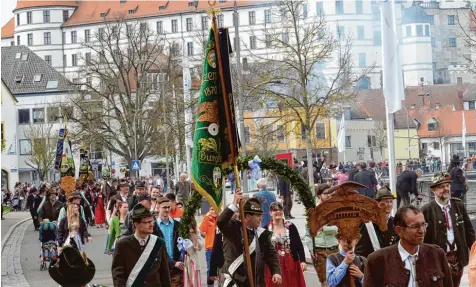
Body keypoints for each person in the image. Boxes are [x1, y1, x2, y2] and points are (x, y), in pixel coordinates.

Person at [364, 206, 453, 286]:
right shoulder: (378, 260)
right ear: (399, 231)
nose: (422, 230)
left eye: (423, 224)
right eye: (415, 226)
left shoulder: (437, 254)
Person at [217, 190, 282, 287]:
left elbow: (271, 255)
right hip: (236, 282)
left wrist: (276, 272)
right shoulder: (233, 228)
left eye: (260, 215)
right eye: (257, 215)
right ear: (247, 216)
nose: (260, 218)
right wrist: (234, 203)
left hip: (256, 282)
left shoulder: (262, 234)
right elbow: (221, 221)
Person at [421, 172, 476, 286]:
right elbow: (422, 238)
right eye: (441, 187)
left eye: (447, 185)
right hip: (437, 259)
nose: (446, 189)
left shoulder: (459, 206)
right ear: (433, 190)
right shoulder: (426, 210)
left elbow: (469, 231)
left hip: (458, 258)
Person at [112, 203, 171, 287]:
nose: (151, 224)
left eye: (151, 221)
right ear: (136, 224)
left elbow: (164, 273)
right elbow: (118, 274)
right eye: (146, 222)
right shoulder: (122, 245)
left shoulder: (159, 243)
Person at [265, 202, 306, 287]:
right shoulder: (266, 229)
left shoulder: (291, 226)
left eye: (280, 210)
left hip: (291, 263)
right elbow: (263, 249)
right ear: (270, 212)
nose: (278, 212)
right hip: (274, 265)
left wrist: (303, 261)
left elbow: (299, 244)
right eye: (275, 210)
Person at [306, 184, 338, 287]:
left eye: (330, 193)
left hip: (334, 248)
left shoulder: (334, 209)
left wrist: (323, 228)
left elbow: (337, 228)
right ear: (319, 195)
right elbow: (308, 232)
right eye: (325, 193)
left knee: (337, 280)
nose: (329, 195)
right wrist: (311, 249)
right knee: (324, 281)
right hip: (319, 250)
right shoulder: (313, 210)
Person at [355, 185, 399, 258]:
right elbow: (360, 250)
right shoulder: (367, 223)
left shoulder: (394, 222)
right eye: (386, 202)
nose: (389, 204)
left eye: (391, 201)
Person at [154, 197, 184, 287]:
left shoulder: (178, 225)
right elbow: (155, 250)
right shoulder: (153, 227)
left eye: (168, 207)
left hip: (177, 268)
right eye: (164, 207)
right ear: (158, 208)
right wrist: (172, 262)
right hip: (160, 268)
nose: (167, 210)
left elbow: (183, 246)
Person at [199, 206, 218, 287]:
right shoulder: (207, 219)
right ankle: (210, 285)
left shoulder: (220, 219)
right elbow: (202, 229)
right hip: (210, 249)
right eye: (211, 209)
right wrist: (206, 217)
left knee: (221, 270)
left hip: (220, 249)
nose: (213, 211)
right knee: (210, 270)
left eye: (215, 209)